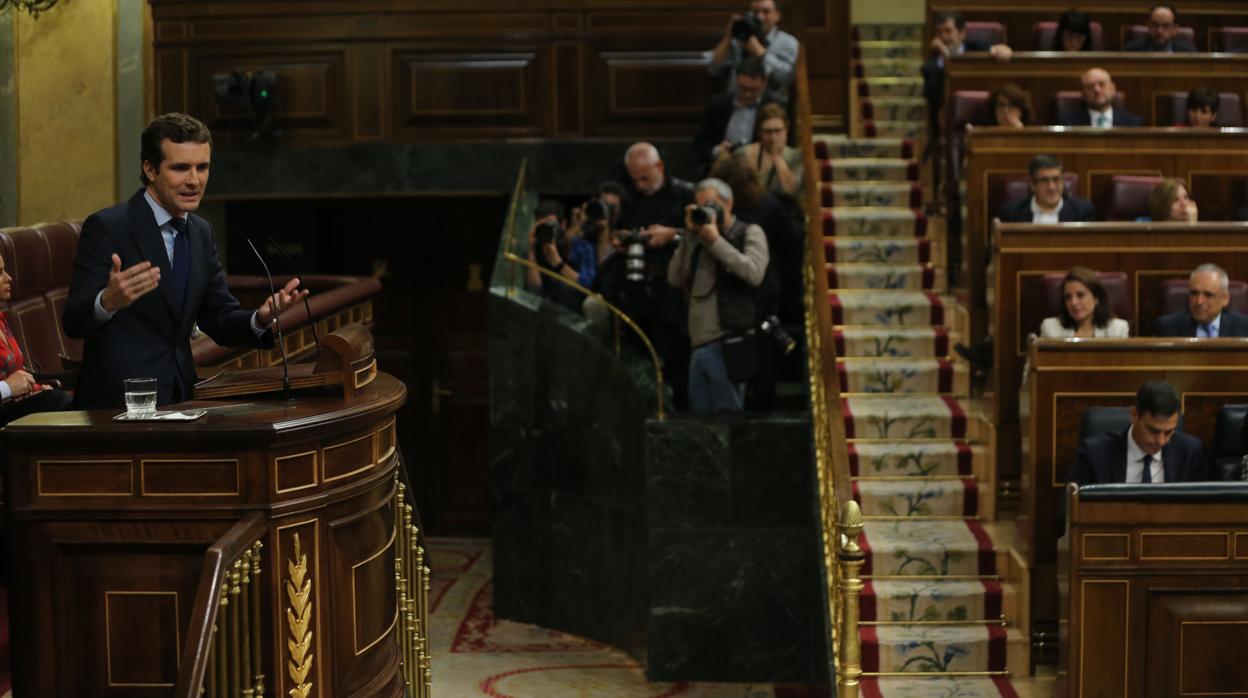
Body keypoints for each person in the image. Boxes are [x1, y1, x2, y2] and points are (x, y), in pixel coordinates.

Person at [63, 113, 308, 409]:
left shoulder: (201, 232)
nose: (194, 180)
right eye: (181, 168)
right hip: (120, 403)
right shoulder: (109, 226)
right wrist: (108, 301)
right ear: (150, 169)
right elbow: (74, 321)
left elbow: (217, 316)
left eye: (202, 167)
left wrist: (260, 318)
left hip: (182, 398)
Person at [667, 178, 769, 412]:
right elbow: (673, 278)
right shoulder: (696, 238)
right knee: (702, 429)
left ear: (729, 203)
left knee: (727, 421)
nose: (707, 211)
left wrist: (715, 241)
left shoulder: (749, 232)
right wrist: (690, 237)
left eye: (712, 205)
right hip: (697, 344)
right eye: (701, 206)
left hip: (729, 342)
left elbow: (754, 273)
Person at [1069, 380, 1204, 485]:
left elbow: (1201, 512)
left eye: (1168, 432)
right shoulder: (1094, 454)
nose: (1161, 441)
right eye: (1153, 431)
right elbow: (1069, 512)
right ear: (1134, 415)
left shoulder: (1189, 452)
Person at [0, 254, 73, 426]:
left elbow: (17, 373)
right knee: (56, 401)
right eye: (0, 272)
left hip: (13, 406)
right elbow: (11, 383)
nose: (9, 278)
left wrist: (35, 388)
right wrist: (8, 388)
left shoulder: (1, 318)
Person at [922, 12, 1013, 141]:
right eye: (939, 32)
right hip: (947, 127)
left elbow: (1001, 50)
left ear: (962, 33)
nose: (943, 36)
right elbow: (933, 97)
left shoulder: (978, 48)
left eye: (948, 31)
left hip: (986, 116)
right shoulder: (931, 65)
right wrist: (944, 58)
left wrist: (1001, 49)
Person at [693, 56, 779, 170]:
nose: (748, 94)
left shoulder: (773, 106)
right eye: (743, 88)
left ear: (763, 83)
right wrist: (717, 151)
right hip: (724, 167)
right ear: (737, 80)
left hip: (760, 168)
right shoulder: (718, 105)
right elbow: (699, 144)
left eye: (753, 89)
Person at [705, 0, 800, 102]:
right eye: (755, 12)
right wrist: (728, 38)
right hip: (736, 104)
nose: (760, 17)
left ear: (777, 15)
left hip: (770, 107)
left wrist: (759, 52)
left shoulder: (787, 42)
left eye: (766, 12)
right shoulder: (740, 39)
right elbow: (713, 69)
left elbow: (784, 78)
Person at [525, 199, 597, 312]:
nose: (547, 230)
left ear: (563, 224)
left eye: (551, 225)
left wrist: (557, 262)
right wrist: (531, 251)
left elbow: (589, 284)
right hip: (542, 311)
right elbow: (534, 292)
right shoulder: (535, 249)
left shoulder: (582, 247)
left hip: (574, 311)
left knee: (565, 287)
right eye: (542, 226)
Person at [1155, 263, 1248, 337]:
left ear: (1225, 299)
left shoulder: (1244, 328)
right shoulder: (1167, 328)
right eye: (1194, 293)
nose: (1199, 301)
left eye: (1208, 295)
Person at [997, 155, 1096, 223]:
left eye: (1056, 179)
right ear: (1032, 185)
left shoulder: (1082, 212)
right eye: (1044, 180)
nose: (1051, 187)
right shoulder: (1011, 213)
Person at [735, 103, 804, 198]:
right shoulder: (743, 153)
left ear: (786, 129)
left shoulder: (795, 156)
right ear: (760, 132)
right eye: (768, 132)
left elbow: (792, 190)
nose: (773, 138)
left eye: (778, 131)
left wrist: (777, 157)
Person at [1039, 267, 1130, 338]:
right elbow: (1034, 362)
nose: (1073, 302)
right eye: (1068, 297)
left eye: (1080, 295)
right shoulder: (1050, 329)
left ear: (1096, 298)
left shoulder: (1117, 329)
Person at [1058, 68, 1144, 128]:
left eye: (1102, 84)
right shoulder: (1068, 124)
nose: (1097, 90)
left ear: (1113, 88)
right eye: (1090, 86)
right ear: (1083, 93)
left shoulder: (1133, 124)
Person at [1123, 4, 1196, 52]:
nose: (1159, 31)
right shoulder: (1131, 50)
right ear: (1148, 25)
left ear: (1175, 29)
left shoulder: (1188, 52)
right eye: (1155, 25)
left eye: (1166, 26)